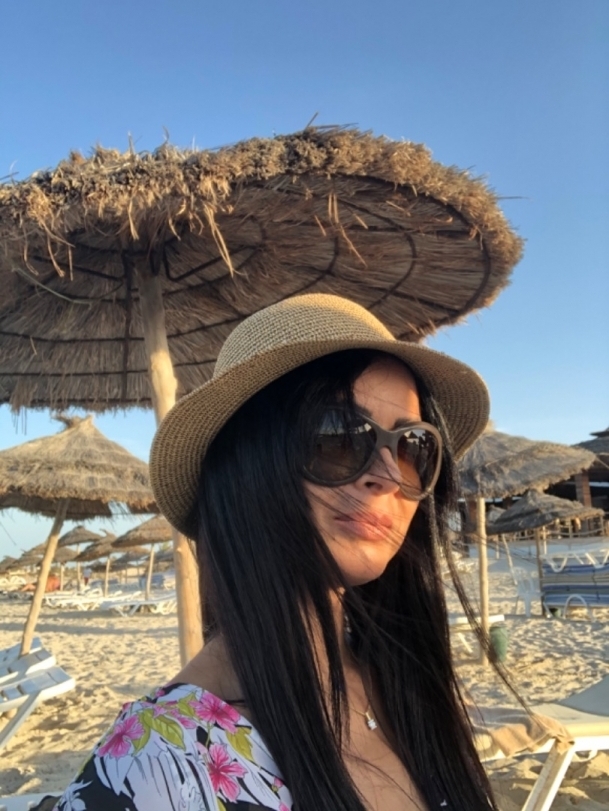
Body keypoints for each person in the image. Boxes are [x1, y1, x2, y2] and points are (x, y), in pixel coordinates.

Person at [53, 294, 499, 811]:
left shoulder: (409, 689)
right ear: (244, 467)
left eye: (412, 447)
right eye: (337, 436)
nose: (386, 476)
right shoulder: (155, 769)